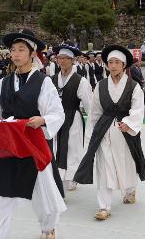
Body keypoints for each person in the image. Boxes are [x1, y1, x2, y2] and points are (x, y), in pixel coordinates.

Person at [0, 29, 66, 239]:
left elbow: (56, 113)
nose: (15, 54)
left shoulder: (43, 82)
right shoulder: (5, 82)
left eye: (21, 49)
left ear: (32, 53)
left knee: (45, 198)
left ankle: (48, 228)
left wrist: (43, 120)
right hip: (9, 148)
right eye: (13, 50)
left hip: (34, 147)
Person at [74, 45, 145, 221]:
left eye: (117, 62)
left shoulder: (133, 86)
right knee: (104, 167)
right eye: (110, 62)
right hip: (104, 131)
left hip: (124, 133)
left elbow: (138, 109)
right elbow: (95, 111)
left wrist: (129, 123)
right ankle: (104, 206)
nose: (113, 65)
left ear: (124, 65)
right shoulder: (100, 85)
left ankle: (130, 191)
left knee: (127, 164)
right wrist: (92, 134)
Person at [51, 42, 92, 192]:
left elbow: (89, 105)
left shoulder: (80, 81)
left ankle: (72, 177)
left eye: (65, 58)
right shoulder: (52, 79)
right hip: (56, 119)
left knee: (72, 149)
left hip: (73, 118)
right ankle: (58, 178)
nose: (61, 61)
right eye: (59, 58)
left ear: (72, 60)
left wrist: (93, 125)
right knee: (57, 148)